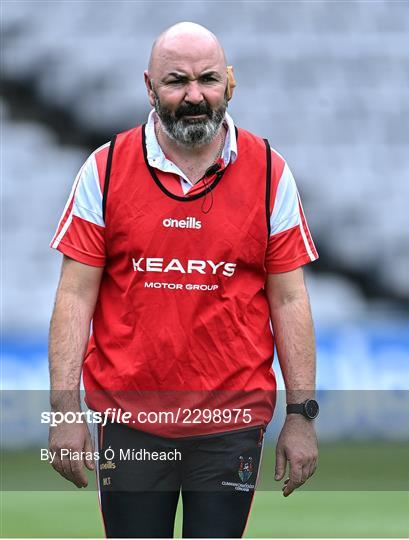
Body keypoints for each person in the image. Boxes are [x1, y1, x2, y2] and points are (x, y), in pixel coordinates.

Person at [48, 21, 319, 538]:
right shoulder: (103, 171)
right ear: (148, 87)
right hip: (130, 421)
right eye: (176, 81)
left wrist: (302, 415)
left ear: (230, 83)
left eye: (208, 79)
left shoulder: (270, 172)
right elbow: (75, 295)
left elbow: (289, 300)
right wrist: (64, 411)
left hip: (231, 424)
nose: (194, 95)